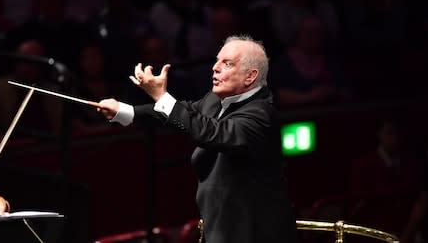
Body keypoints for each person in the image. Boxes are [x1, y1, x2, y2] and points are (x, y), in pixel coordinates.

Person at [98, 35, 298, 243]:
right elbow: (181, 113)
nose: (215, 68)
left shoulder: (261, 114)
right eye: (217, 60)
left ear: (250, 77)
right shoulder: (214, 100)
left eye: (227, 64)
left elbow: (210, 132)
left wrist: (161, 96)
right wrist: (125, 111)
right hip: (221, 229)